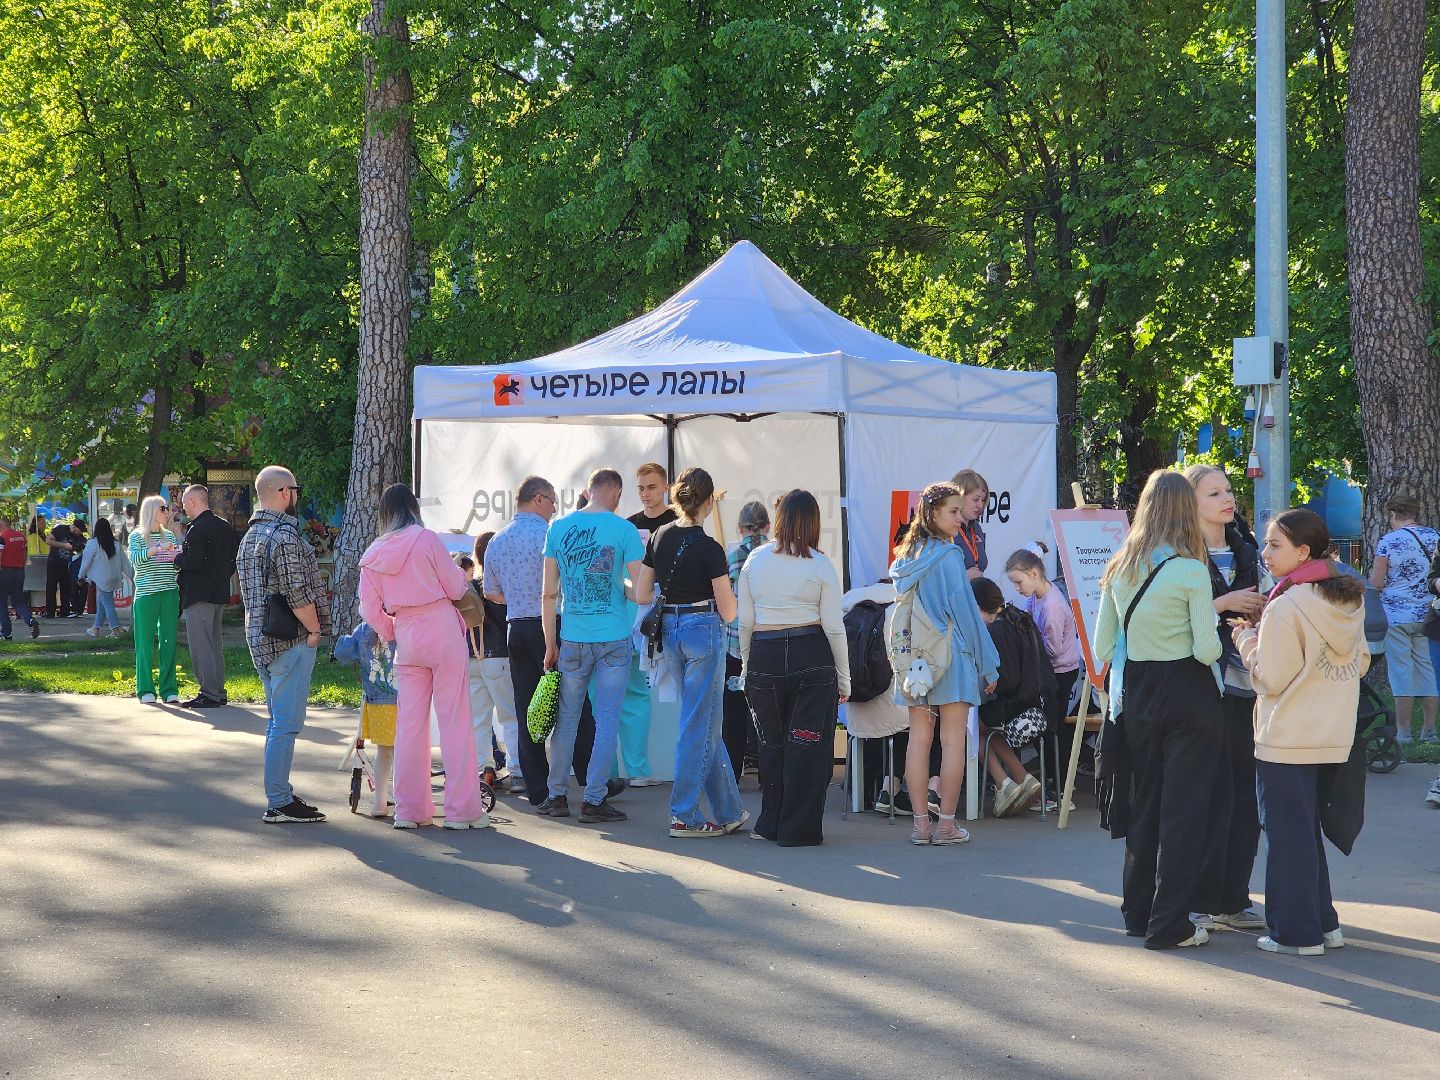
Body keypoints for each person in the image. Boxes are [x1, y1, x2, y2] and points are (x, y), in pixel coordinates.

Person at [1094, 469, 1223, 950]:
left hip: (1138, 695)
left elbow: (1106, 644)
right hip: (1188, 693)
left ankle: (1137, 911)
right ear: (1186, 511)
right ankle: (1171, 921)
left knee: (1145, 801)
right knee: (1184, 810)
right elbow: (1208, 651)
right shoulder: (1191, 571)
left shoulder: (1119, 567)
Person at [1231, 508, 1368, 955]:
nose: (1266, 553)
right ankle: (1324, 924)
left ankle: (1296, 933)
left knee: (1289, 838)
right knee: (1305, 833)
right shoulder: (1347, 598)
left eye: (1275, 544)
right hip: (1333, 734)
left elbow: (1271, 677)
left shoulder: (1287, 603)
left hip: (1286, 736)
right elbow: (1360, 660)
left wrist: (1248, 642)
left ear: (1303, 551)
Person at [359, 484, 488, 831]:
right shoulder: (427, 539)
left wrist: (391, 629)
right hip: (442, 629)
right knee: (455, 720)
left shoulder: (373, 553)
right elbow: (457, 589)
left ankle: (410, 810)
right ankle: (463, 811)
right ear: (413, 508)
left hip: (407, 634)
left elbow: (368, 607)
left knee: (411, 727)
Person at [636, 467, 747, 838]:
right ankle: (684, 814)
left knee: (702, 721)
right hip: (702, 630)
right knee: (698, 725)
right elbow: (729, 611)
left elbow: (640, 594)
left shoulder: (659, 536)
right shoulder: (710, 547)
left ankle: (729, 810)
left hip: (669, 630)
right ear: (708, 500)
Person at [1181, 464, 1268, 933]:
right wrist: (1225, 604)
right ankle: (1197, 896)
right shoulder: (1180, 557)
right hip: (1200, 689)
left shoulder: (1249, 550)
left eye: (1229, 490)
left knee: (1246, 801)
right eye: (1213, 492)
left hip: (1248, 690)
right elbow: (1173, 620)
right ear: (1189, 502)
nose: (1227, 498)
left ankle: (1234, 897)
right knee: (1207, 797)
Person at [890, 480, 1000, 846]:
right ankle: (947, 825)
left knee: (918, 741)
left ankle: (920, 825)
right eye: (953, 511)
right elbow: (968, 615)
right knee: (953, 742)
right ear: (933, 513)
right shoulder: (951, 557)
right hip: (951, 657)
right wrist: (990, 665)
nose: (959, 518)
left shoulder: (907, 559)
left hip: (916, 659)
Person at [737, 489, 849, 845]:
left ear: (780, 519)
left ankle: (769, 822)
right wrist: (845, 677)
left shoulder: (755, 559)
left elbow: (745, 622)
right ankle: (798, 827)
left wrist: (746, 664)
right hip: (811, 656)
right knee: (808, 744)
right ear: (814, 522)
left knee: (770, 743)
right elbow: (833, 626)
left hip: (764, 657)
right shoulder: (820, 563)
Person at [538, 467, 643, 825]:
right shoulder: (623, 529)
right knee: (607, 717)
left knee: (566, 719)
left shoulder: (558, 528)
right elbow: (639, 586)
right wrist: (626, 590)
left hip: (572, 635)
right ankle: (594, 798)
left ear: (588, 491)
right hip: (613, 635)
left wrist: (550, 643)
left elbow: (549, 592)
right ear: (615, 493)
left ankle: (556, 794)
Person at [484, 475, 598, 806]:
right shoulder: (549, 534)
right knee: (574, 702)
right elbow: (572, 577)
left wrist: (516, 598)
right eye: (552, 502)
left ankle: (537, 787)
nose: (553, 509)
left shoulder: (497, 540)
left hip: (515, 628)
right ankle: (589, 777)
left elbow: (491, 592)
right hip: (552, 624)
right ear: (538, 499)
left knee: (527, 708)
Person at [236, 465, 332, 823]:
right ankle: (278, 800)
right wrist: (314, 630)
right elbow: (297, 592)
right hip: (289, 639)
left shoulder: (250, 537)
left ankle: (280, 795)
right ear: (283, 493)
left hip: (261, 640)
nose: (297, 495)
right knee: (285, 724)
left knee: (277, 721)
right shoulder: (285, 537)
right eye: (296, 489)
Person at [1005, 542, 1080, 808]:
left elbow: (1054, 650)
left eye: (1018, 581)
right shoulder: (1035, 597)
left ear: (1034, 574)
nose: (1017, 587)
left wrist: (1028, 649)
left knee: (1050, 730)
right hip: (1050, 671)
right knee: (1045, 729)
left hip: (1059, 673)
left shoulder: (1052, 607)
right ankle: (1053, 787)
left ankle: (1059, 792)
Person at [620, 462, 678, 786]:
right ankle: (636, 766)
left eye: (651, 487)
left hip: (674, 609)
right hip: (638, 612)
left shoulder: (677, 522)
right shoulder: (630, 525)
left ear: (665, 486)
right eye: (641, 488)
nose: (645, 494)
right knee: (640, 685)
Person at [970, 577, 1047, 817]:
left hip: (1016, 707)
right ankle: (1021, 777)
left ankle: (1004, 783)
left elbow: (1008, 679)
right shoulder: (1018, 616)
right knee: (981, 723)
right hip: (1036, 702)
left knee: (972, 726)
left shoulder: (997, 629)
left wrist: (991, 685)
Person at [1370, 494, 1439, 743]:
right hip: (1429, 614)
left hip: (1397, 615)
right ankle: (1430, 731)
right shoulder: (1435, 537)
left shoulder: (1389, 541)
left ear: (1392, 515)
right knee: (1428, 670)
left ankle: (1404, 732)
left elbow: (1377, 582)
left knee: (1401, 672)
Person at [174, 485, 239, 709]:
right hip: (219, 592)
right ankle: (218, 691)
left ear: (193, 501)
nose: (184, 508)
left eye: (184, 504)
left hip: (198, 595)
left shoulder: (197, 529)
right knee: (214, 645)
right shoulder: (224, 526)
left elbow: (192, 562)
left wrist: (176, 558)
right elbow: (233, 561)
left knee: (201, 647)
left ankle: (209, 693)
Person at [468, 533, 521, 793]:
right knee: (510, 716)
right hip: (498, 656)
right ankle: (518, 770)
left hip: (472, 656)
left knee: (480, 718)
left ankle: (485, 769)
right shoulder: (498, 585)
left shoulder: (469, 586)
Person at [334, 619, 398, 818]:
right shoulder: (404, 623)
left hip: (378, 702)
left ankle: (380, 802)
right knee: (407, 754)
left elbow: (342, 653)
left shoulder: (364, 629)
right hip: (407, 699)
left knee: (384, 752)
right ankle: (406, 799)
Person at [724, 499, 770, 777]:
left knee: (733, 715)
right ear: (768, 526)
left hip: (735, 644)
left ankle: (732, 774)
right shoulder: (775, 555)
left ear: (738, 527)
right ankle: (768, 776)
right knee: (767, 715)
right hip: (767, 643)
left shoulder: (732, 558)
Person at [127, 497, 181, 704]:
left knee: (168, 641)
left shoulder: (169, 535)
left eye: (167, 508)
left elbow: (174, 565)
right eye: (163, 508)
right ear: (151, 511)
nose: (167, 512)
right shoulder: (137, 536)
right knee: (144, 642)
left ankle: (169, 689)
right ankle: (145, 689)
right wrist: (157, 549)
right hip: (146, 594)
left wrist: (177, 555)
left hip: (169, 592)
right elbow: (136, 559)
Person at [79, 518, 129, 638]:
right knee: (101, 601)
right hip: (114, 577)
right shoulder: (116, 544)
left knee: (107, 603)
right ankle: (96, 628)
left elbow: (86, 562)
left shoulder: (93, 544)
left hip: (101, 579)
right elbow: (125, 563)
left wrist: (80, 576)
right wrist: (132, 576)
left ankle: (115, 629)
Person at [1, 516, 40, 640]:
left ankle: (7, 634)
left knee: (1, 604)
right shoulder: (21, 536)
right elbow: (25, 552)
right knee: (18, 602)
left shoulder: (2, 537)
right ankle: (30, 620)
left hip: (5, 572)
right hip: (19, 571)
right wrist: (21, 566)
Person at [950, 469, 991, 579]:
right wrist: (964, 577)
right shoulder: (945, 529)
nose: (980, 505)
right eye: (976, 499)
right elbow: (935, 576)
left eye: (983, 500)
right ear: (960, 497)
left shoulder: (976, 528)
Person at [44, 519, 75, 619]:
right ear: (75, 527)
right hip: (54, 561)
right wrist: (63, 545)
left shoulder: (76, 536)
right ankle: (50, 612)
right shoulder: (60, 529)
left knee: (65, 586)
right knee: (51, 586)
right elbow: (48, 540)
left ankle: (65, 611)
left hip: (66, 563)